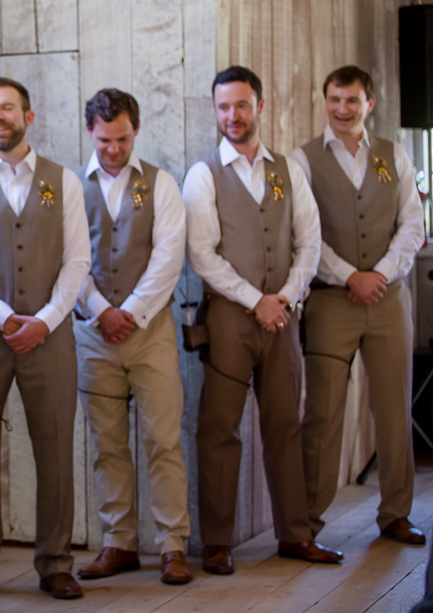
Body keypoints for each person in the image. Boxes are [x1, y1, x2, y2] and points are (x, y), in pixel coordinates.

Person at [182, 65, 343, 574]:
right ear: (216, 110)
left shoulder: (288, 170)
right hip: (230, 320)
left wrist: (288, 298)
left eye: (242, 105)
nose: (233, 115)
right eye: (224, 106)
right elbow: (202, 255)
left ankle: (295, 535)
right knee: (219, 430)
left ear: (260, 106)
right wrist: (257, 300)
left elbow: (309, 241)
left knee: (285, 427)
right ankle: (217, 542)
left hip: (283, 319)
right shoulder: (203, 173)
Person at [0, 75, 91, 600]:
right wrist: (2, 317)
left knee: (56, 446)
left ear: (28, 117)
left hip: (51, 335)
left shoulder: (64, 180)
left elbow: (77, 259)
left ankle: (56, 561)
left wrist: (45, 319)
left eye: (8, 109)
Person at [289, 66, 427, 546]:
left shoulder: (395, 155)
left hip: (390, 300)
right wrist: (351, 277)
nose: (342, 110)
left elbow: (413, 223)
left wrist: (380, 276)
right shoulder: (301, 161)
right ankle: (307, 521)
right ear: (324, 100)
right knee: (323, 415)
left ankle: (395, 514)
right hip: (332, 301)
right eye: (334, 99)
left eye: (352, 100)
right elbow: (304, 234)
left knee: (393, 409)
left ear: (370, 102)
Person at [73, 88, 192, 585]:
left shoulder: (161, 184)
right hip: (93, 334)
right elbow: (68, 260)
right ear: (90, 133)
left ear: (135, 130)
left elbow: (169, 257)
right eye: (105, 140)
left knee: (164, 438)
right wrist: (102, 310)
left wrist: (132, 312)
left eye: (122, 139)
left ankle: (172, 545)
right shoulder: (71, 186)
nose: (114, 149)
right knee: (106, 443)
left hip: (151, 332)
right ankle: (118, 542)